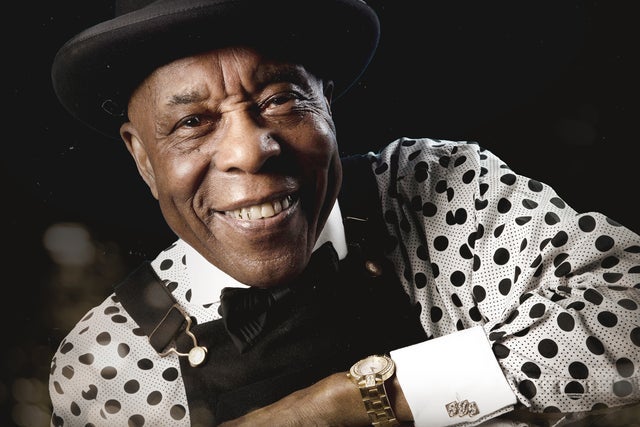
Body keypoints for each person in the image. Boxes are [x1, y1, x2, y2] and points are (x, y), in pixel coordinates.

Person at [48, 0, 639, 426]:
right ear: (142, 156)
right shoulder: (104, 366)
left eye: (280, 100)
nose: (250, 150)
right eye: (192, 122)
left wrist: (345, 405)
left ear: (326, 103)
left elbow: (627, 310)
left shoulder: (434, 188)